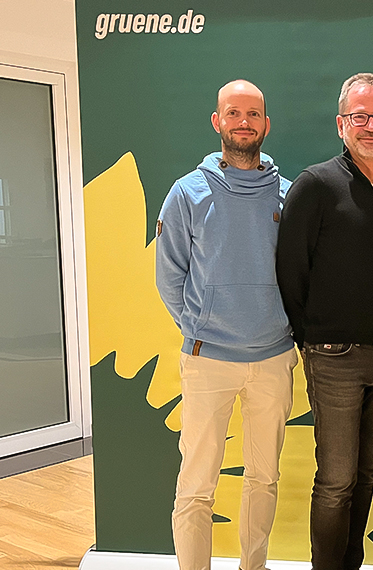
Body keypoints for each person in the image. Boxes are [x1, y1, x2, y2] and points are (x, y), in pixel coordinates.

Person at [276, 73, 373, 570]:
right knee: (336, 481)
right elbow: (290, 269)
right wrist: (312, 337)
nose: (370, 126)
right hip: (334, 357)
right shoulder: (315, 185)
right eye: (360, 117)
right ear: (342, 125)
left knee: (367, 473)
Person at [156, 79, 297, 570]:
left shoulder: (287, 195)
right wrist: (200, 327)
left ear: (266, 124)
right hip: (207, 360)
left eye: (253, 114)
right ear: (217, 121)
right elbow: (169, 276)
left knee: (264, 478)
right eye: (233, 113)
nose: (243, 122)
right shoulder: (186, 193)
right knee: (196, 485)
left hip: (273, 359)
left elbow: (300, 274)